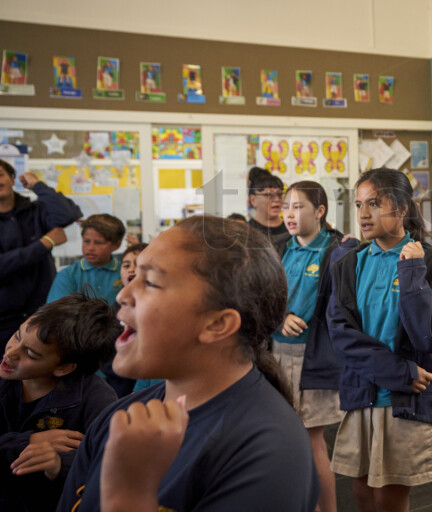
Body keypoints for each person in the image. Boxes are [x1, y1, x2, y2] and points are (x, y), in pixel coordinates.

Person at [56, 215, 319, 511]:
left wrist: (129, 492)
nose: (123, 295)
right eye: (133, 276)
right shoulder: (118, 418)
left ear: (217, 324)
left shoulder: (269, 450)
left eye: (151, 282)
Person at [328, 168, 432, 512]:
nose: (363, 214)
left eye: (374, 203)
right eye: (359, 205)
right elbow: (341, 335)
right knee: (361, 491)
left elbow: (431, 337)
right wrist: (401, 371)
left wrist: (412, 274)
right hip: (362, 392)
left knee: (389, 498)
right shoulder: (347, 265)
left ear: (401, 209)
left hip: (403, 401)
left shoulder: (430, 264)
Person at [0, 294, 119, 512]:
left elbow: (111, 463)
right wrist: (28, 440)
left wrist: (59, 464)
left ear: (63, 368)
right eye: (17, 336)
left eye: (31, 354)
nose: (10, 353)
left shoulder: (98, 400)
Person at [273, 181, 348, 512]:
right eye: (286, 206)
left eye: (298, 206)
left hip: (312, 357)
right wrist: (279, 318)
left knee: (312, 440)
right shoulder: (277, 249)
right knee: (282, 438)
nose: (289, 213)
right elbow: (262, 297)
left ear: (320, 212)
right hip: (272, 356)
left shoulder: (336, 252)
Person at [0, 162, 82, 347]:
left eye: (0, 175)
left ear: (13, 179)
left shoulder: (35, 210)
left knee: (43, 373)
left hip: (42, 312)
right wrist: (44, 243)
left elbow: (67, 215)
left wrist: (38, 186)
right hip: (3, 318)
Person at [102, 242, 149, 397]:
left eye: (138, 264)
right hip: (118, 385)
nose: (131, 269)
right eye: (126, 265)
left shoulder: (158, 308)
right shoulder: (113, 310)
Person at [46, 214, 125, 306]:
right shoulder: (67, 275)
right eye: (86, 241)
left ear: (116, 245)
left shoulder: (125, 272)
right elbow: (56, 314)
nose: (90, 248)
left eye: (98, 243)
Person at [247, 166, 290, 247]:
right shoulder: (245, 233)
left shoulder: (291, 230)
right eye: (269, 195)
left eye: (280, 194)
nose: (277, 199)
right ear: (253, 200)